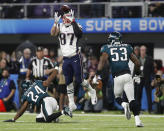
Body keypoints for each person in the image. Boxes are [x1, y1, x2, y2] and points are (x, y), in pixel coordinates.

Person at [50, 5, 97, 111]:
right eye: (64, 17)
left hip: (75, 56)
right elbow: (52, 33)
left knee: (80, 80)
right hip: (65, 58)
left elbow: (79, 34)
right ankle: (71, 103)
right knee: (68, 81)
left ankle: (92, 91)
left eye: (67, 17)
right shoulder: (60, 26)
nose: (65, 19)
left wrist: (73, 21)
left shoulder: (76, 25)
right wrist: (55, 23)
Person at [97, 31, 143, 127]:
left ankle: (123, 105)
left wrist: (98, 74)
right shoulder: (127, 47)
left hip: (117, 77)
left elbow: (102, 61)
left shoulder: (106, 48)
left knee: (118, 97)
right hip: (127, 76)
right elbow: (138, 63)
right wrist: (138, 73)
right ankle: (137, 120)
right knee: (132, 99)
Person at [3, 69, 72, 123]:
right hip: (51, 101)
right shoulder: (38, 83)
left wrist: (14, 119)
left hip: (45, 102)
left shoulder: (26, 95)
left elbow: (23, 109)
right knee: (38, 119)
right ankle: (54, 118)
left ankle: (63, 111)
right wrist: (55, 70)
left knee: (48, 119)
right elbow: (50, 79)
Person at [136, 45, 154, 113]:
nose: (143, 51)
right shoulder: (137, 58)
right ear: (140, 51)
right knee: (138, 95)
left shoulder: (149, 58)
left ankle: (150, 109)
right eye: (141, 50)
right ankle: (138, 109)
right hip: (139, 79)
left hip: (147, 79)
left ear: (146, 51)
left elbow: (152, 70)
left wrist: (152, 79)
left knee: (149, 95)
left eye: (144, 50)